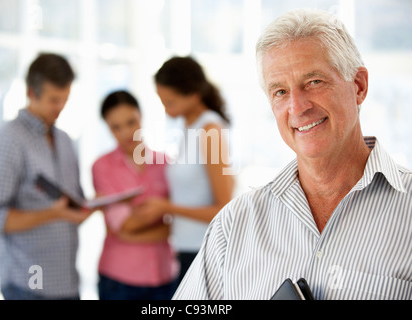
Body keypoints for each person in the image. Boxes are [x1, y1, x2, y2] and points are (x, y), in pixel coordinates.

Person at [173, 9, 412, 300]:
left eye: (314, 82)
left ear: (358, 86)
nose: (297, 107)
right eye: (280, 92)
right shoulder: (234, 225)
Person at [0, 53, 93, 300]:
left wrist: (89, 207)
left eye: (65, 99)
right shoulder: (7, 141)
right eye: (54, 100)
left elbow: (74, 203)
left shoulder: (64, 139)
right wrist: (54, 213)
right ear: (32, 93)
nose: (60, 107)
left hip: (67, 281)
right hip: (28, 285)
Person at [135, 56, 234, 283]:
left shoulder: (210, 131)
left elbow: (224, 209)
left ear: (193, 95)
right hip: (186, 248)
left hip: (205, 251)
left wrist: (166, 207)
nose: (166, 110)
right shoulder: (188, 127)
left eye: (170, 102)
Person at [92, 90, 179, 300]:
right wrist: (165, 222)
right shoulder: (102, 167)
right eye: (116, 127)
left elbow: (179, 220)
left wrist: (132, 232)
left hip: (165, 275)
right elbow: (126, 225)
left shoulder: (165, 162)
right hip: (120, 280)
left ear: (141, 117)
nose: (126, 132)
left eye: (131, 122)